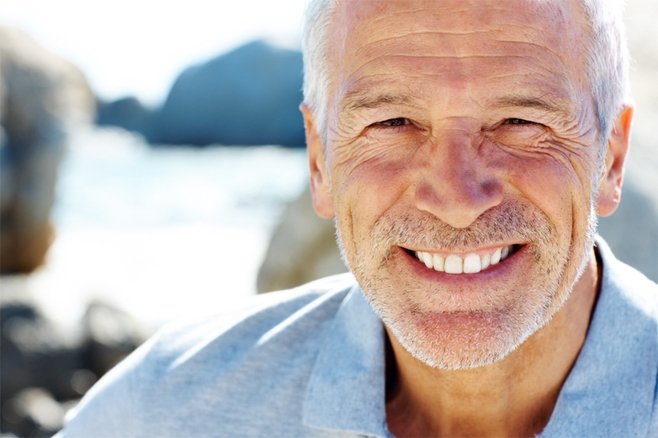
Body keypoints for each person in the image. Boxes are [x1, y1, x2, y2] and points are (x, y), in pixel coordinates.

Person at [58, 0, 658, 436]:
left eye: (520, 123)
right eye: (393, 123)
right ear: (319, 161)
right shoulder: (165, 409)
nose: (456, 198)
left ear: (611, 156)